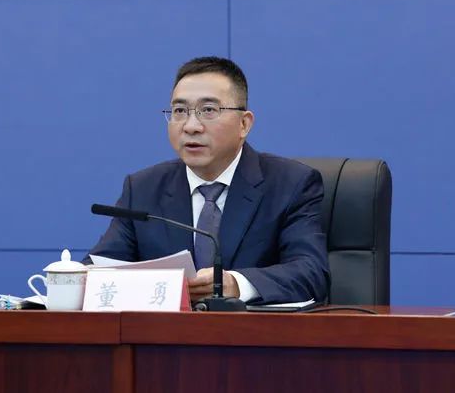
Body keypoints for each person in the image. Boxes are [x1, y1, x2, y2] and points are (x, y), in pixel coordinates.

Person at [87, 57, 329, 304]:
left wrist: (235, 284)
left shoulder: (291, 184)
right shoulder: (142, 188)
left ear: (244, 124)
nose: (191, 126)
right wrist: (74, 276)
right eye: (180, 111)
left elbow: (311, 274)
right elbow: (100, 270)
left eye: (209, 110)